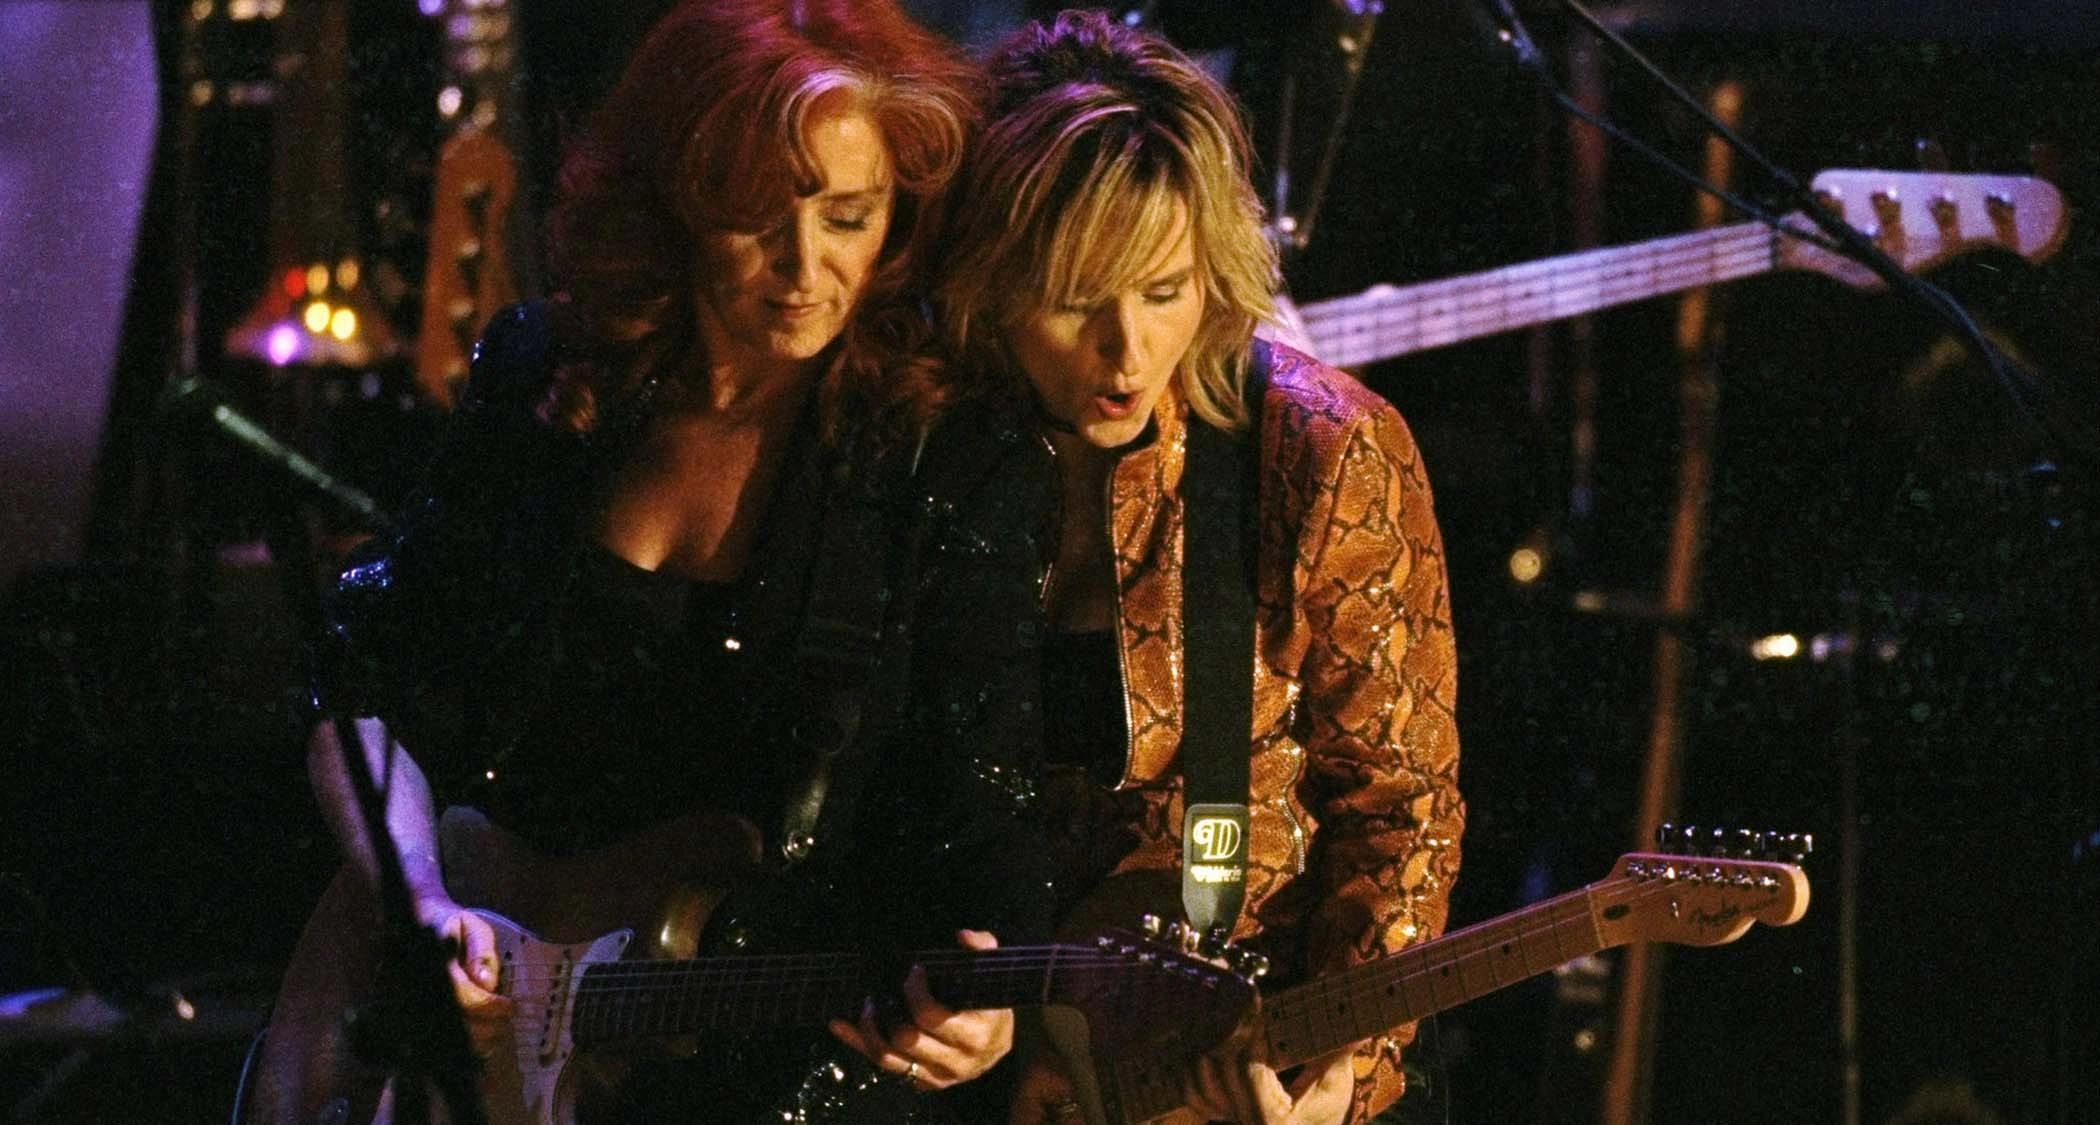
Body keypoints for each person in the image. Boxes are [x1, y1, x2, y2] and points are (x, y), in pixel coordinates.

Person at [258, 1, 1059, 1120]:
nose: (805, 266)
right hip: (479, 1033)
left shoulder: (951, 454)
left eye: (849, 216)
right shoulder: (547, 373)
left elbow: (984, 804)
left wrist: (987, 999)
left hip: (764, 1073)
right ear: (675, 200)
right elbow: (365, 683)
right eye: (758, 219)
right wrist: (420, 905)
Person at [931, 12, 1465, 1124]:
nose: (1126, 351)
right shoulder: (935, 436)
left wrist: (1344, 1069)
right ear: (992, 281)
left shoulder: (1320, 450)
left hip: (1219, 1068)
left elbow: (1399, 808)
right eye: (1075, 299)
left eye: (1164, 290)